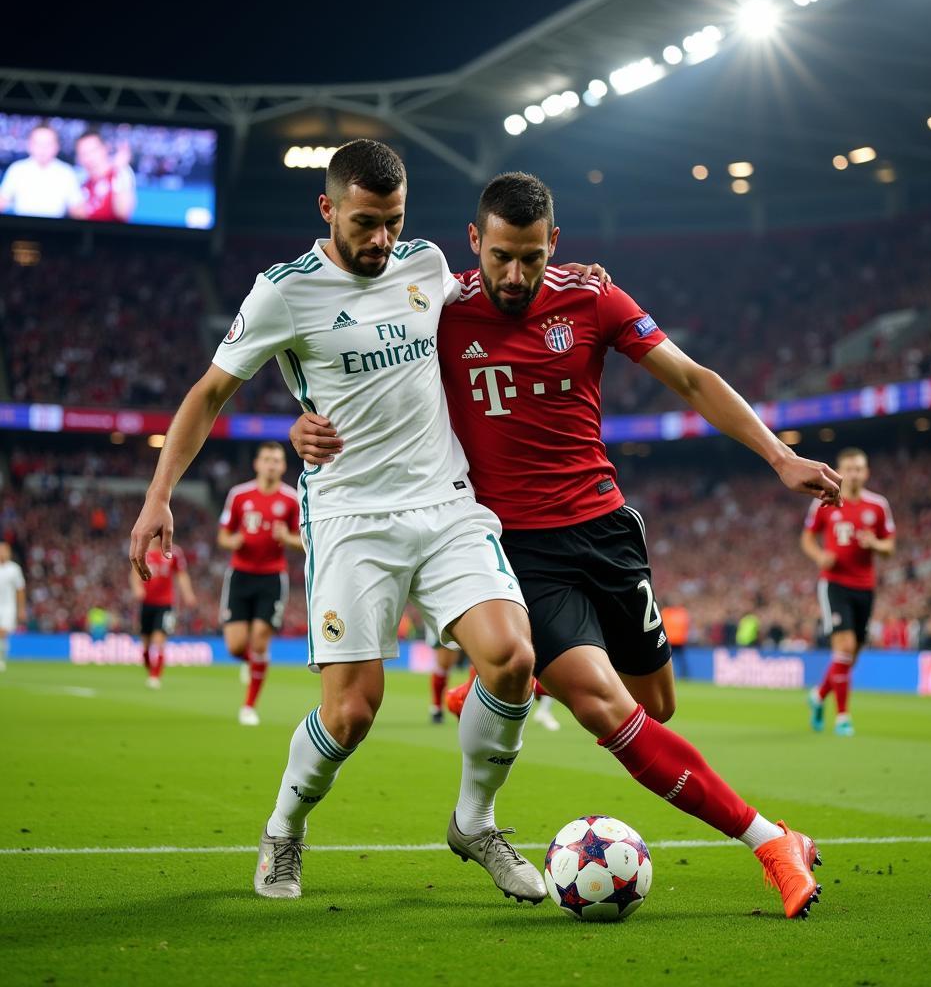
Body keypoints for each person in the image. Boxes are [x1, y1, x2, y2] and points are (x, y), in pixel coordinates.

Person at [291, 171, 844, 920]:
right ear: (473, 242)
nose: (514, 275)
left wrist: (779, 456)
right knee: (607, 706)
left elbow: (689, 375)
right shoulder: (434, 307)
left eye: (529, 257)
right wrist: (304, 422)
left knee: (657, 704)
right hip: (517, 548)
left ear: (554, 242)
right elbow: (347, 356)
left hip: (608, 530)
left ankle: (514, 685)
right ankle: (773, 841)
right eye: (499, 258)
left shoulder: (592, 298)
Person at [130, 140, 611, 906]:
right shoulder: (283, 293)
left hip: (447, 502)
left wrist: (572, 278)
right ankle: (285, 830)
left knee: (514, 659)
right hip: (352, 515)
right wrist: (160, 497)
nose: (381, 239)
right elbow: (209, 392)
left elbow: (502, 286)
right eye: (364, 222)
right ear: (327, 210)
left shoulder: (424, 268)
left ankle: (475, 822)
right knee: (352, 712)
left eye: (392, 221)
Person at [802, 447, 895, 736]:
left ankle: (818, 696)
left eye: (859, 468)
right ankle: (843, 716)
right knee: (843, 648)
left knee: (851, 655)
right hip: (834, 583)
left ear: (866, 473)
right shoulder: (826, 502)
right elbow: (807, 537)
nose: (854, 474)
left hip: (865, 587)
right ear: (840, 473)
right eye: (849, 469)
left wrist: (875, 544)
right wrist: (819, 557)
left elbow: (889, 547)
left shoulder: (878, 506)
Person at [217, 442, 303, 725]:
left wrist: (286, 538)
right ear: (257, 464)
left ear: (283, 466)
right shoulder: (239, 495)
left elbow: (304, 542)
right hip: (240, 575)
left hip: (272, 576)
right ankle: (251, 662)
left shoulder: (291, 499)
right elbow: (223, 537)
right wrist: (235, 541)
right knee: (235, 646)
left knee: (260, 639)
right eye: (267, 459)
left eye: (277, 460)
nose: (271, 465)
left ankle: (249, 706)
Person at [130, 542, 196, 688]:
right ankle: (149, 666)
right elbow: (135, 573)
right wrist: (137, 588)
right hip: (146, 603)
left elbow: (182, 575)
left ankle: (155, 676)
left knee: (160, 639)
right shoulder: (143, 550)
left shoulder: (174, 552)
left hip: (167, 604)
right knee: (146, 644)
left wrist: (188, 593)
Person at [0, 124, 82, 218]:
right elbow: (2, 202)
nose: (42, 149)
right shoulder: (17, 169)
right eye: (38, 143)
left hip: (56, 230)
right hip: (22, 228)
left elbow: (78, 211)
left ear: (57, 147)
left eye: (48, 144)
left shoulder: (66, 172)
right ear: (29, 145)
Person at [71, 130, 137, 222]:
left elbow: (123, 213)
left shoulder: (121, 172)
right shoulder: (80, 182)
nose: (89, 158)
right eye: (83, 153)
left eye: (93, 151)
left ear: (105, 148)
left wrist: (119, 171)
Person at [0, 542, 27, 672]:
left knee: (3, 632)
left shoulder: (14, 569)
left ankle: (1, 659)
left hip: (8, 606)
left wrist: (21, 609)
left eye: (5, 550)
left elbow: (20, 589)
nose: (2, 553)